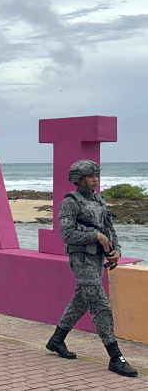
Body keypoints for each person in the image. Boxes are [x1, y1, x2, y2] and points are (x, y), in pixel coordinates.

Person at [45, 160, 138, 377]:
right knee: (99, 303)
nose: (95, 178)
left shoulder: (99, 200)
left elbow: (110, 229)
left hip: (97, 259)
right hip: (81, 259)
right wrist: (95, 235)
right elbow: (66, 234)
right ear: (78, 179)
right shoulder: (70, 202)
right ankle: (116, 357)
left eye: (96, 174)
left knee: (81, 300)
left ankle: (57, 340)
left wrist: (116, 251)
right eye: (90, 175)